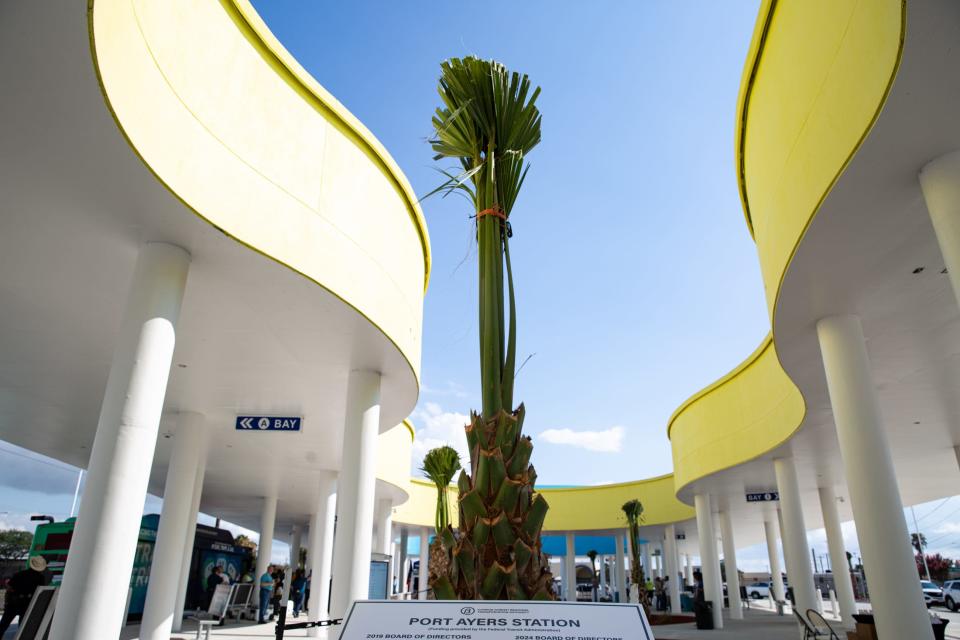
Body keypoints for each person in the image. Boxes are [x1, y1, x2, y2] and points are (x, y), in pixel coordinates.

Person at [0, 556, 47, 636]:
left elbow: (9, 588)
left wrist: (7, 602)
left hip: (13, 603)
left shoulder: (20, 574)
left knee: (3, 626)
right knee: (22, 628)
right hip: (27, 604)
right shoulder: (41, 578)